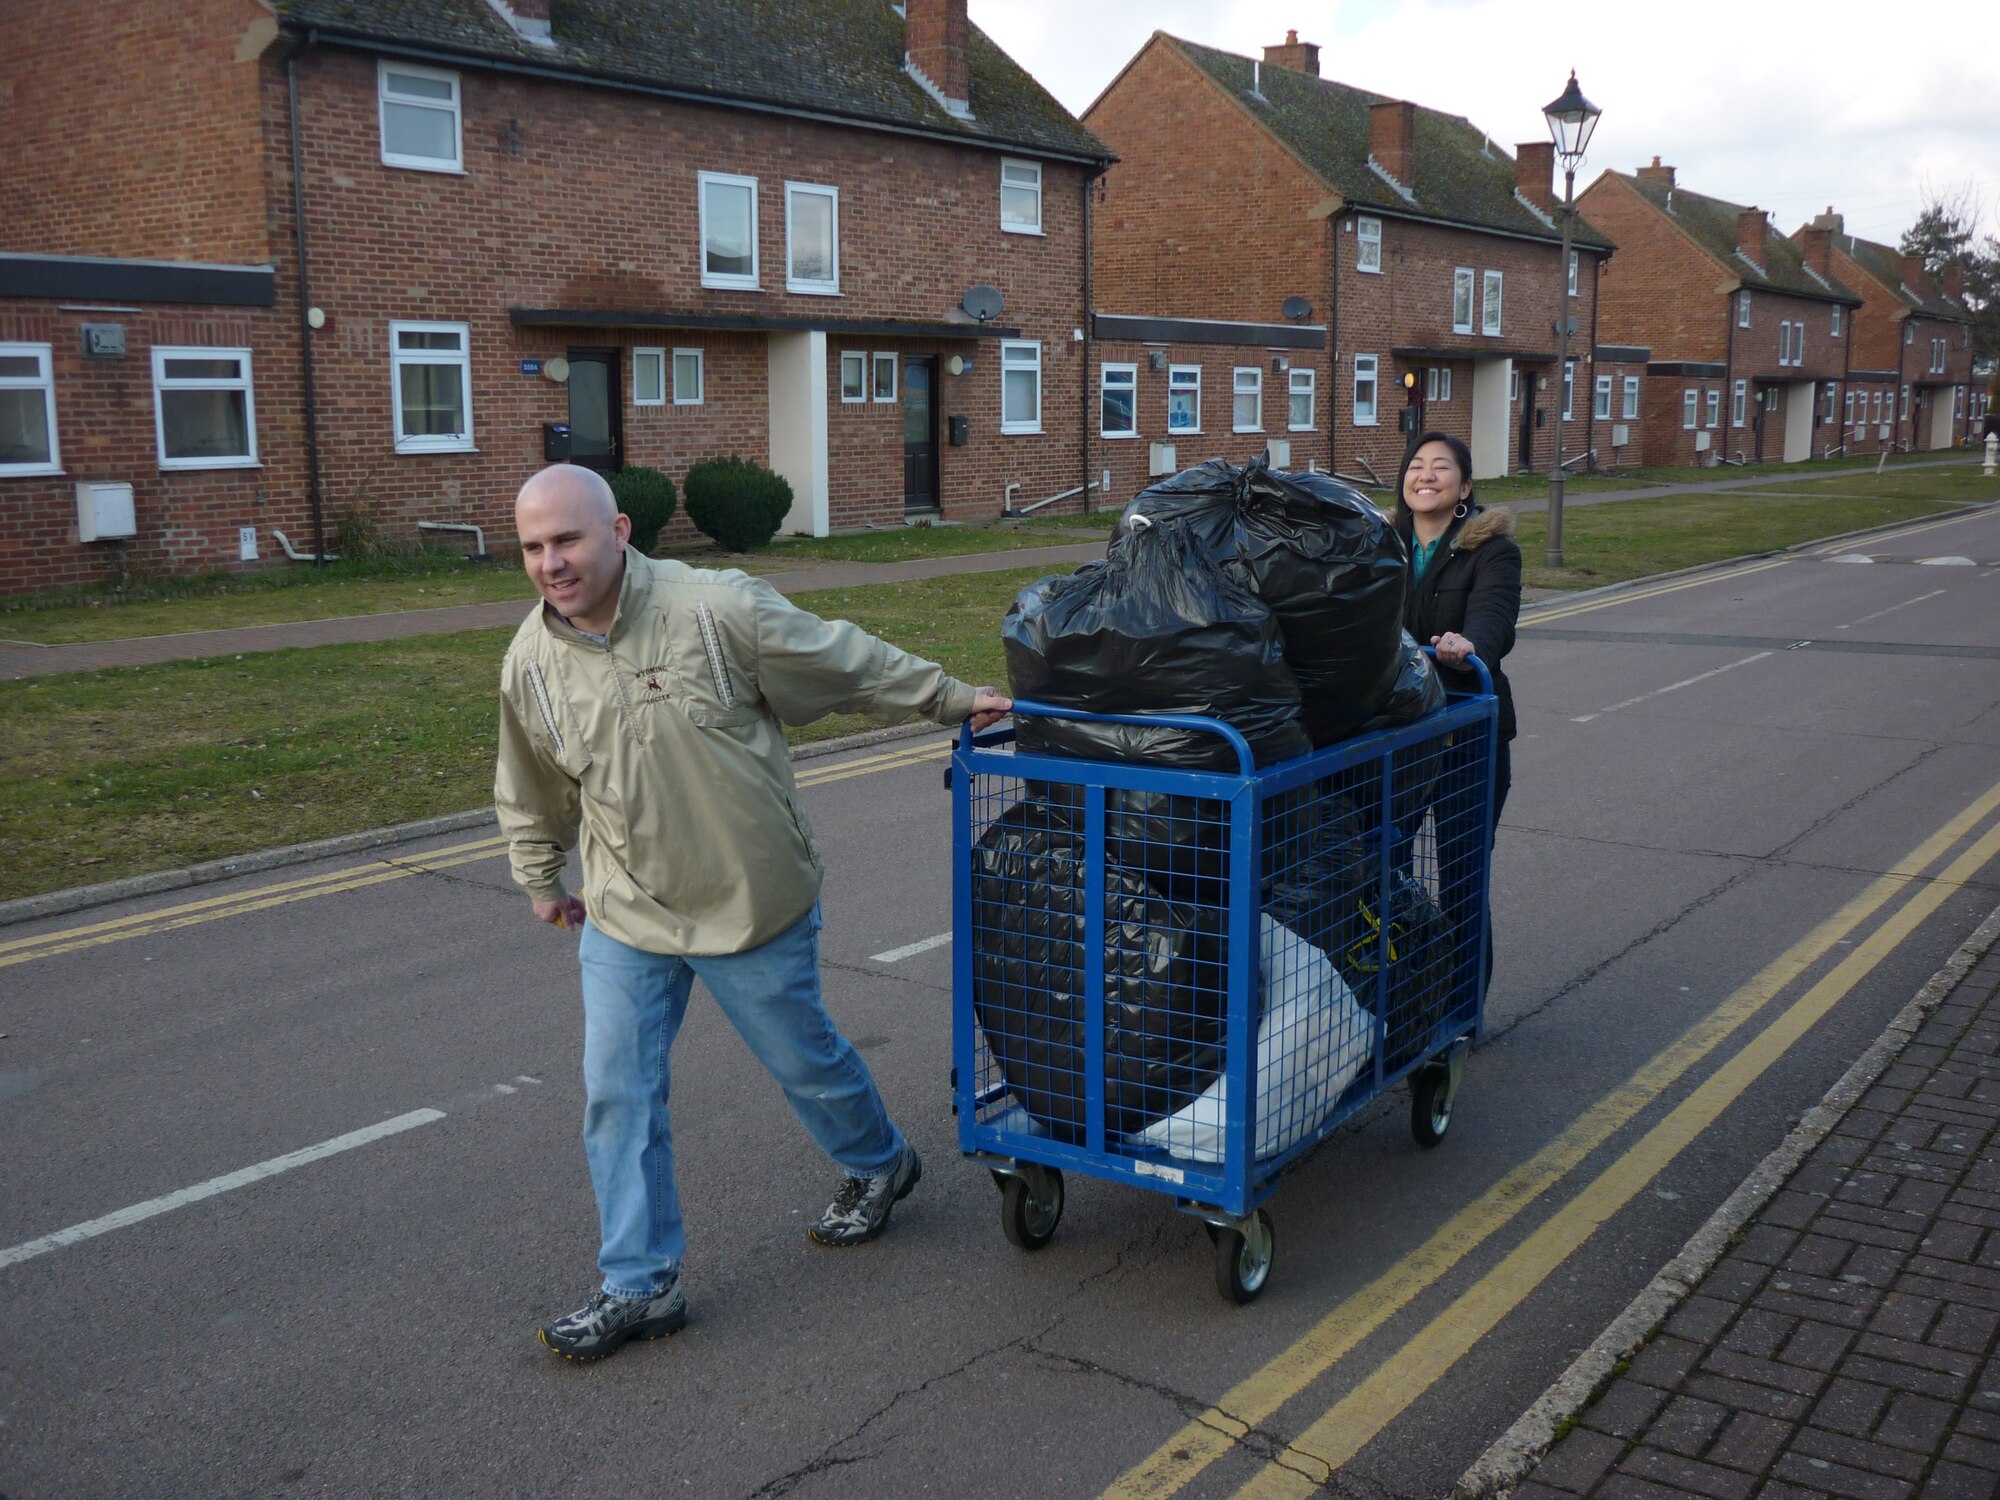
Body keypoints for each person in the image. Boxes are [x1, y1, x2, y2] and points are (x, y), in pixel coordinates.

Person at [494, 463, 1011, 1362]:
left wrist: (953, 699)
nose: (551, 564)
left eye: (566, 540)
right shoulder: (531, 662)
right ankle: (640, 1283)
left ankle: (880, 1162)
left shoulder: (713, 608)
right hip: (627, 911)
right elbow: (530, 781)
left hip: (749, 902)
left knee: (804, 1062)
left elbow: (842, 658)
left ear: (618, 531)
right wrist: (542, 875)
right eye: (533, 547)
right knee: (619, 1094)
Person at [1394, 431, 1521, 987]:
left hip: (1467, 733)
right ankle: (1393, 993)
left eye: (1441, 468)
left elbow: (1494, 619)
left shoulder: (1490, 547)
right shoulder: (1378, 543)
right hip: (1396, 731)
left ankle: (1462, 1006)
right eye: (1416, 465)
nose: (1425, 475)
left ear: (1464, 486)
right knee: (1377, 867)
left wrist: (1471, 645)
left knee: (1462, 874)